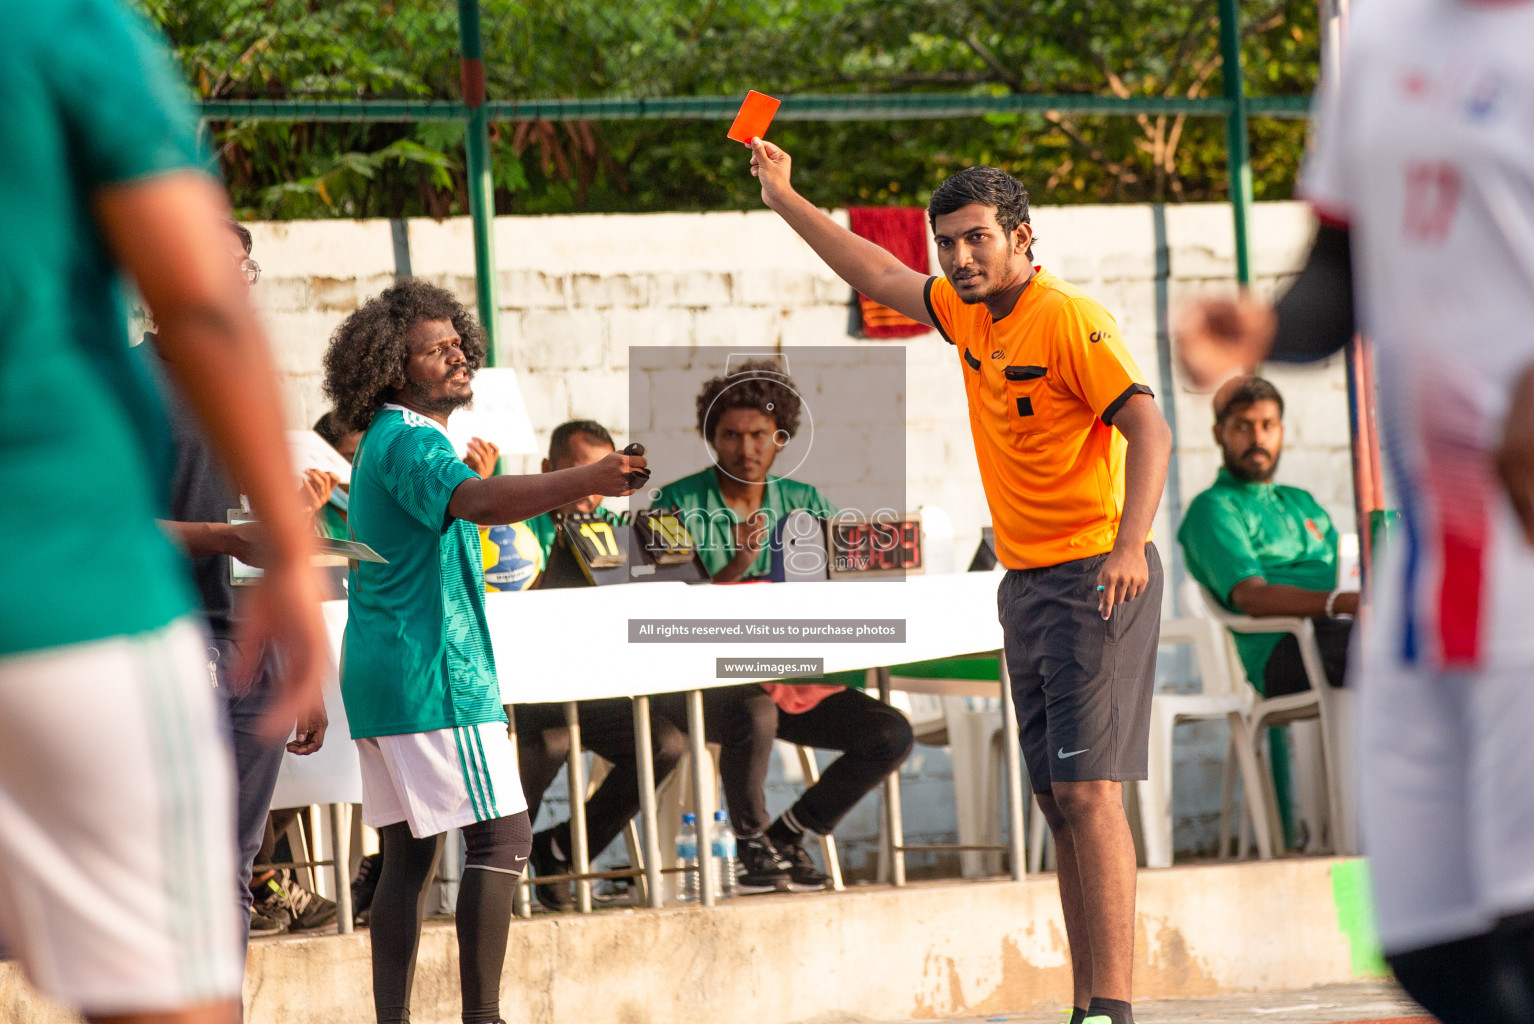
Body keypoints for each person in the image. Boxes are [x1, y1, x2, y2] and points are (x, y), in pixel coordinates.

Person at [750, 142, 1171, 1024]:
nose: (960, 258)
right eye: (948, 244)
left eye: (978, 239)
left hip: (1099, 573)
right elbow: (875, 266)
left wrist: (1132, 545)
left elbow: (1149, 428)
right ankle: (1087, 1001)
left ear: (1021, 237)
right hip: (1025, 586)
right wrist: (787, 198)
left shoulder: (1068, 318)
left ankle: (1116, 1010)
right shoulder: (967, 315)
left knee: (1092, 793)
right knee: (1057, 801)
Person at [1175, 5, 1534, 1020]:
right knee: (1428, 943)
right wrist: (1266, 325)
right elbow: (1343, 269)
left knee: (1519, 927)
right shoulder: (1373, 47)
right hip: (1419, 580)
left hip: (1521, 557)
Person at [0, 2, 328, 1022]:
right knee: (170, 997)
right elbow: (196, 294)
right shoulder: (60, 28)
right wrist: (284, 551)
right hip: (64, 593)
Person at [321, 279, 646, 1024]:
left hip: (393, 672)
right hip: (432, 674)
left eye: (457, 342)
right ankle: (484, 1018)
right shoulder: (408, 437)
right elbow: (478, 503)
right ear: (394, 370)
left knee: (408, 857)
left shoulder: (394, 440)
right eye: (435, 350)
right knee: (503, 834)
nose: (458, 355)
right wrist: (591, 477)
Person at [650, 362, 915, 892]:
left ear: (780, 440)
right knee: (755, 709)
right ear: (711, 438)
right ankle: (750, 847)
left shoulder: (808, 503)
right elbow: (668, 611)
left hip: (797, 675)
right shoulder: (671, 504)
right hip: (714, 682)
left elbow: (850, 577)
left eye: (758, 435)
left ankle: (789, 834)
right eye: (730, 435)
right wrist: (737, 567)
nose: (744, 448)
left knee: (890, 734)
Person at [149, 220, 336, 942]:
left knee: (232, 867)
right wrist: (223, 537)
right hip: (161, 648)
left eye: (242, 269)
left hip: (252, 660)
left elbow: (266, 532)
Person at [506, 420, 689, 911]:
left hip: (592, 685)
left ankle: (562, 848)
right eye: (578, 472)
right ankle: (500, 869)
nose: (590, 489)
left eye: (602, 475)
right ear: (547, 471)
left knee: (665, 743)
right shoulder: (517, 527)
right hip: (527, 691)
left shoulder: (618, 537)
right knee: (549, 744)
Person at [1178, 376, 1356, 697]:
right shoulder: (1213, 508)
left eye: (1267, 425)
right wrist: (1339, 602)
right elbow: (1251, 596)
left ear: (1281, 432)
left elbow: (1347, 573)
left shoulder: (1302, 501)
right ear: (1220, 434)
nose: (1257, 438)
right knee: (1383, 651)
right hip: (1284, 648)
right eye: (1243, 427)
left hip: (1339, 626)